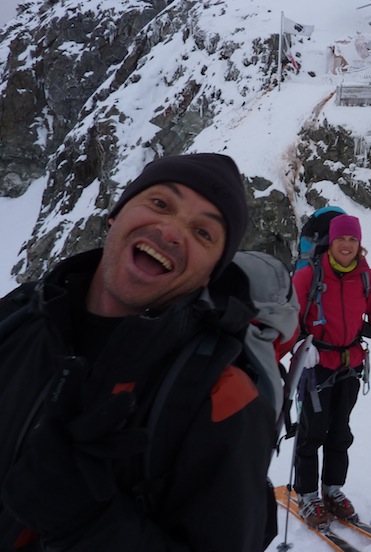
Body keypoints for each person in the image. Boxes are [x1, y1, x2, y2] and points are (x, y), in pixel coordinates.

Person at [0, 153, 283, 551]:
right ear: (116, 213)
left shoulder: (222, 398)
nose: (170, 231)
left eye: (203, 233)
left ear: (209, 274)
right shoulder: (19, 316)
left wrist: (85, 524)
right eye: (160, 203)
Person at [291, 214, 371, 530]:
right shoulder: (309, 276)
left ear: (359, 244)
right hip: (316, 366)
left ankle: (331, 490)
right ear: (331, 241)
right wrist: (299, 347)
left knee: (340, 431)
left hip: (350, 365)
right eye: (341, 239)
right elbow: (288, 317)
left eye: (352, 239)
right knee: (311, 433)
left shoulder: (365, 276)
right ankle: (306, 493)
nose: (346, 244)